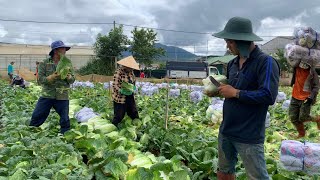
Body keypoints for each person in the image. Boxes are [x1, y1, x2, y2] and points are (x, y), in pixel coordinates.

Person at [213, 17, 280, 180]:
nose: (227, 45)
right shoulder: (232, 64)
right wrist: (218, 91)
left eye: (229, 42)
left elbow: (268, 95)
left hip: (249, 134)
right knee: (224, 172)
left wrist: (236, 93)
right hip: (227, 129)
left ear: (242, 41)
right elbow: (231, 89)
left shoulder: (266, 62)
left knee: (257, 177)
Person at [29, 40, 75, 134]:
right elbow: (40, 80)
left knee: (64, 118)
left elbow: (73, 79)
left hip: (62, 95)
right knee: (37, 115)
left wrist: (69, 77)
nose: (65, 51)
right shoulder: (44, 63)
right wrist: (51, 77)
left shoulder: (68, 63)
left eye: (65, 49)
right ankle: (31, 132)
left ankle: (65, 135)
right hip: (47, 94)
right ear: (55, 51)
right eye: (63, 49)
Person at [289, 61, 320, 138]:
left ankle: (318, 119)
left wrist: (311, 97)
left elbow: (316, 87)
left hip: (306, 97)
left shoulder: (313, 72)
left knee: (303, 117)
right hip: (295, 96)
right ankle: (301, 134)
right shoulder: (296, 67)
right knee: (293, 118)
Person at [111, 56, 140, 127]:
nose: (131, 69)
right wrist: (121, 90)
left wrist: (133, 87)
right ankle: (115, 125)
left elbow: (133, 81)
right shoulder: (118, 72)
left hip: (130, 95)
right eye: (130, 67)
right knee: (119, 113)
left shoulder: (131, 72)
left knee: (133, 110)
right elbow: (115, 84)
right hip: (120, 97)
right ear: (126, 66)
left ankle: (137, 123)